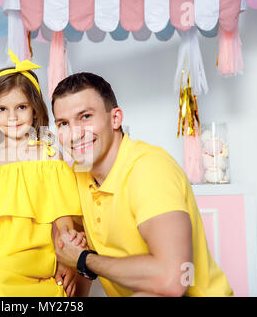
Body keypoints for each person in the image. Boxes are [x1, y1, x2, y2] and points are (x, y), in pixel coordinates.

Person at [51, 72, 233, 297]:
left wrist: (83, 261)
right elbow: (70, 244)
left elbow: (173, 279)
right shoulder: (76, 175)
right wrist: (70, 262)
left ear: (115, 119)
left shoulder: (150, 169)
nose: (74, 134)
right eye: (63, 123)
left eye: (85, 116)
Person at [0, 50, 86, 297]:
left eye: (21, 107)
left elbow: (63, 219)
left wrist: (67, 260)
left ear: (35, 110)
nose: (11, 117)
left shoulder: (48, 156)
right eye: (2, 109)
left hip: (31, 255)